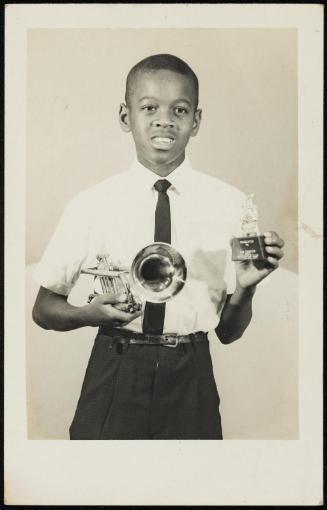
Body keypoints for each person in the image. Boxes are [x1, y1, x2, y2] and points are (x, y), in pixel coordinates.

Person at [32, 54, 284, 440]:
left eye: (179, 110)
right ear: (125, 115)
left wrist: (248, 286)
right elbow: (43, 310)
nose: (164, 120)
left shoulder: (231, 205)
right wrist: (91, 314)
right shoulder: (91, 204)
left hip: (192, 374)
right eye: (149, 107)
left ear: (196, 121)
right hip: (115, 368)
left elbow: (229, 333)